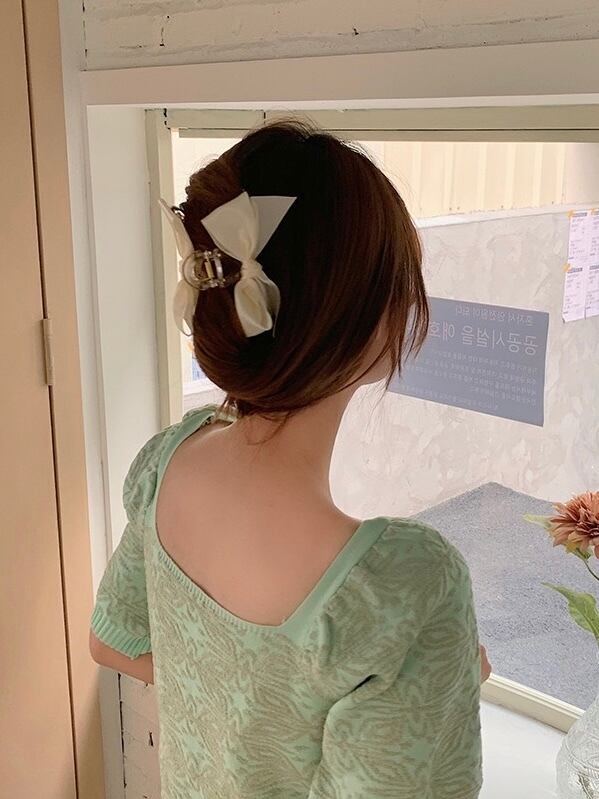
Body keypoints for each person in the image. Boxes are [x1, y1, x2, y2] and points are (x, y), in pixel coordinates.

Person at [90, 119, 487, 798]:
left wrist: (243, 704)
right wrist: (434, 694)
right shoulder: (404, 591)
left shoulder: (167, 463)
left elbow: (114, 638)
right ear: (365, 314)